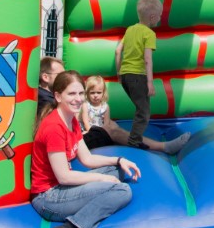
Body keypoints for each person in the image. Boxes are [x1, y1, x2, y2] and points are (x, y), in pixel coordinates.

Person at [31, 70, 141, 228]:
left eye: (81, 93)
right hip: (48, 198)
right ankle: (73, 226)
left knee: (116, 169)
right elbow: (64, 177)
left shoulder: (71, 120)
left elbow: (87, 159)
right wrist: (101, 179)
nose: (78, 99)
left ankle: (101, 189)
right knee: (122, 190)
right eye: (72, 94)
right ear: (58, 96)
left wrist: (119, 160)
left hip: (62, 188)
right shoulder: (54, 127)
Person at [41, 56, 189, 154]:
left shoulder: (51, 95)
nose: (64, 78)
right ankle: (162, 147)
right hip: (70, 143)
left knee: (111, 126)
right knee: (111, 129)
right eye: (60, 75)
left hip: (74, 138)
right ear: (45, 77)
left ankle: (151, 145)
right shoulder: (44, 99)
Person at [115, 0, 162, 149]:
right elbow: (147, 59)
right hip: (138, 76)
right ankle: (134, 142)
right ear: (152, 17)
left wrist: (119, 74)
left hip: (125, 75)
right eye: (159, 15)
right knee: (144, 112)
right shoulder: (149, 34)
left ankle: (136, 138)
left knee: (140, 109)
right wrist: (150, 83)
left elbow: (117, 51)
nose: (160, 18)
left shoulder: (129, 30)